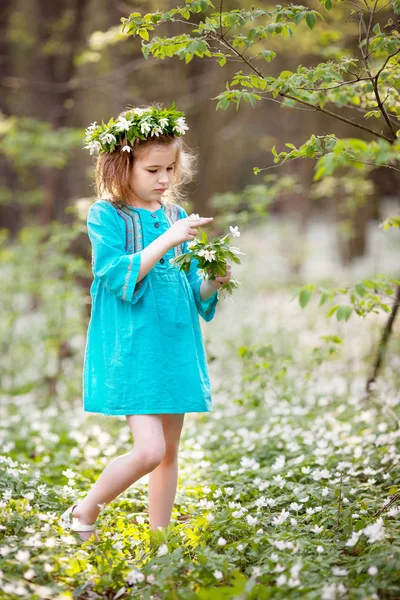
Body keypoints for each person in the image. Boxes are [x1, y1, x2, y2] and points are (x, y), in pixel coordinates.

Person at [59, 103, 232, 542]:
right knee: (150, 449)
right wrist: (167, 241)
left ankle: (159, 542)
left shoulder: (175, 215)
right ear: (122, 166)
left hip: (173, 343)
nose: (165, 180)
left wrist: (213, 280)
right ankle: (83, 511)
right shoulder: (107, 214)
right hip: (132, 346)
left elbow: (192, 289)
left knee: (169, 452)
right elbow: (115, 274)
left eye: (171, 169)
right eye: (154, 169)